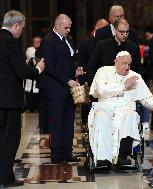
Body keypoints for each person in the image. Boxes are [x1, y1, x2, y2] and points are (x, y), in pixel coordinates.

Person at [88, 51, 153, 167]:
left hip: (125, 109)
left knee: (131, 116)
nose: (127, 67)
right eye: (124, 63)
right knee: (101, 118)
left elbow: (147, 98)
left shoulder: (135, 77)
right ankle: (103, 159)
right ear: (115, 62)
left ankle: (123, 156)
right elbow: (101, 91)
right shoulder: (103, 71)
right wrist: (123, 86)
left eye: (129, 64)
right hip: (104, 108)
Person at [0, 10, 45, 188]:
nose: (21, 32)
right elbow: (22, 72)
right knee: (10, 139)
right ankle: (6, 178)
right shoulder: (10, 41)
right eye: (21, 28)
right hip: (8, 100)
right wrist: (38, 68)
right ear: (16, 25)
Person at [40, 14, 84, 164]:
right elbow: (50, 67)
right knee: (56, 123)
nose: (69, 30)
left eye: (70, 27)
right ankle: (56, 154)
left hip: (68, 90)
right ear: (57, 26)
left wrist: (76, 69)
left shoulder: (69, 40)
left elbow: (70, 60)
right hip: (56, 90)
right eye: (66, 27)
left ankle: (67, 152)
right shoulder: (48, 41)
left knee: (68, 123)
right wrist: (67, 80)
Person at [87, 18, 141, 85]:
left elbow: (137, 69)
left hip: (127, 87)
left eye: (127, 32)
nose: (125, 35)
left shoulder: (133, 47)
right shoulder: (102, 45)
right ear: (114, 30)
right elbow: (91, 66)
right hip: (105, 86)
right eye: (122, 32)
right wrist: (96, 84)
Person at [77, 19, 108, 125]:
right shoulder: (85, 42)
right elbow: (81, 64)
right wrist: (82, 83)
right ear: (97, 29)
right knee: (87, 109)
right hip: (88, 81)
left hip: (103, 83)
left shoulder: (106, 42)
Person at [24, 36, 42, 112]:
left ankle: (38, 107)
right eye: (35, 41)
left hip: (40, 73)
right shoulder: (30, 50)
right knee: (30, 91)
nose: (37, 43)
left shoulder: (43, 49)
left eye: (38, 42)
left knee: (38, 90)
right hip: (31, 72)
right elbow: (32, 57)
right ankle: (30, 107)